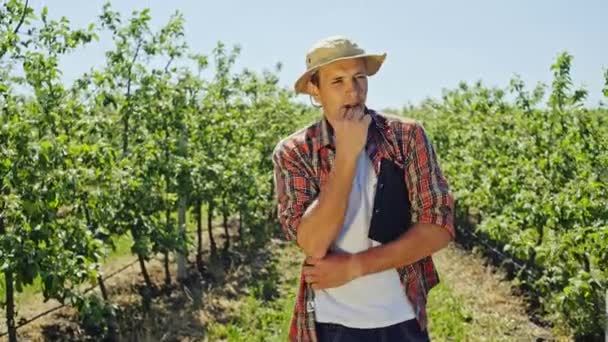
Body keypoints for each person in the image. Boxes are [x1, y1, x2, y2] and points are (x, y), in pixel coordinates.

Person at [272, 35, 455, 342]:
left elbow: (438, 227)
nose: (353, 91)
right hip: (332, 325)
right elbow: (313, 244)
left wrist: (354, 267)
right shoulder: (295, 152)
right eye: (338, 81)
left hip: (401, 318)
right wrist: (346, 155)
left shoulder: (406, 137)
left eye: (359, 78)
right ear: (315, 90)